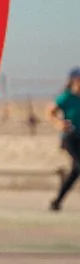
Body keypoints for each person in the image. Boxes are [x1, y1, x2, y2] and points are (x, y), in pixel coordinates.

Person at [47, 68, 80, 211]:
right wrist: (59, 123)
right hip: (70, 137)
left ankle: (56, 202)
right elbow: (50, 112)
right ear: (73, 81)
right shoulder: (66, 97)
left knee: (75, 171)